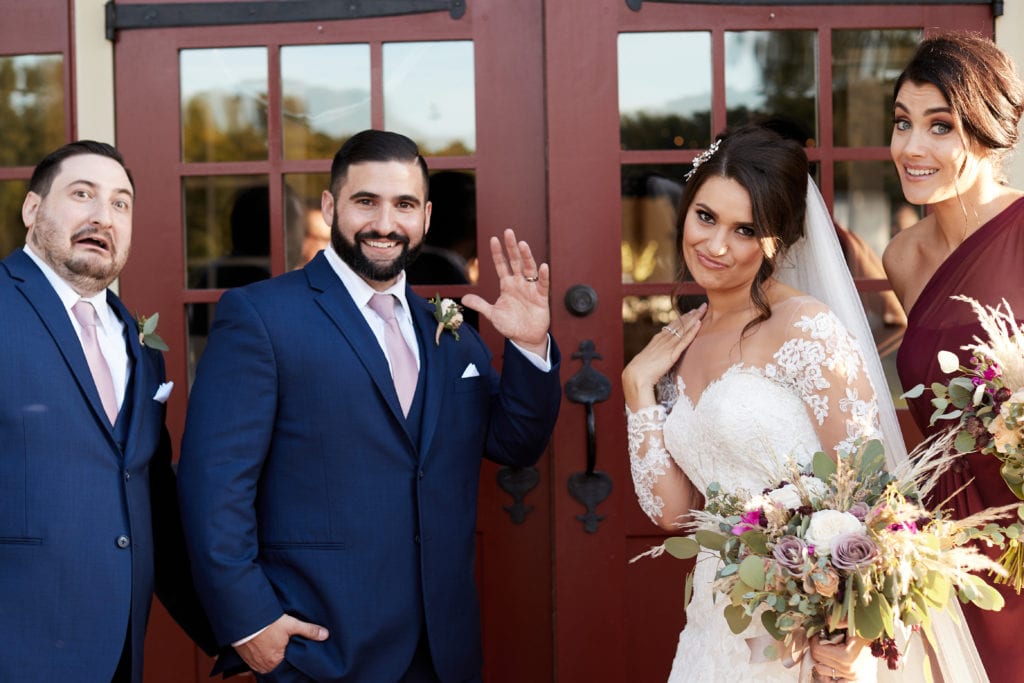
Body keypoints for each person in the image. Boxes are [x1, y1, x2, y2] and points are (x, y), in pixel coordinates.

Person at [177, 129, 561, 682]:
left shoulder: (445, 327)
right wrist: (250, 621)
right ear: (331, 206)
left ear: (425, 216)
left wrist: (527, 347)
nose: (385, 224)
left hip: (442, 650)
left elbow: (515, 443)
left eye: (403, 205)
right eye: (366, 202)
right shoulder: (261, 316)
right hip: (317, 649)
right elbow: (214, 483)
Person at [624, 125, 983, 682]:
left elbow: (875, 492)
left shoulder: (806, 329)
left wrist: (851, 631)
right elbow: (674, 513)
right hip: (714, 631)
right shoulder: (681, 340)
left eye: (745, 229)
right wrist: (637, 387)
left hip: (808, 635)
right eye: (706, 217)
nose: (716, 245)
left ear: (781, 239)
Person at [0, 140, 215, 681]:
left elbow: (150, 503)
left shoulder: (141, 347)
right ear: (32, 210)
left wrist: (238, 630)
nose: (103, 216)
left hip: (119, 649)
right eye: (82, 195)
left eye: (121, 204)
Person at [882, 31, 1024, 681]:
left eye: (940, 126)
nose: (911, 147)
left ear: (990, 132)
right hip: (940, 547)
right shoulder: (902, 257)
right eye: (903, 122)